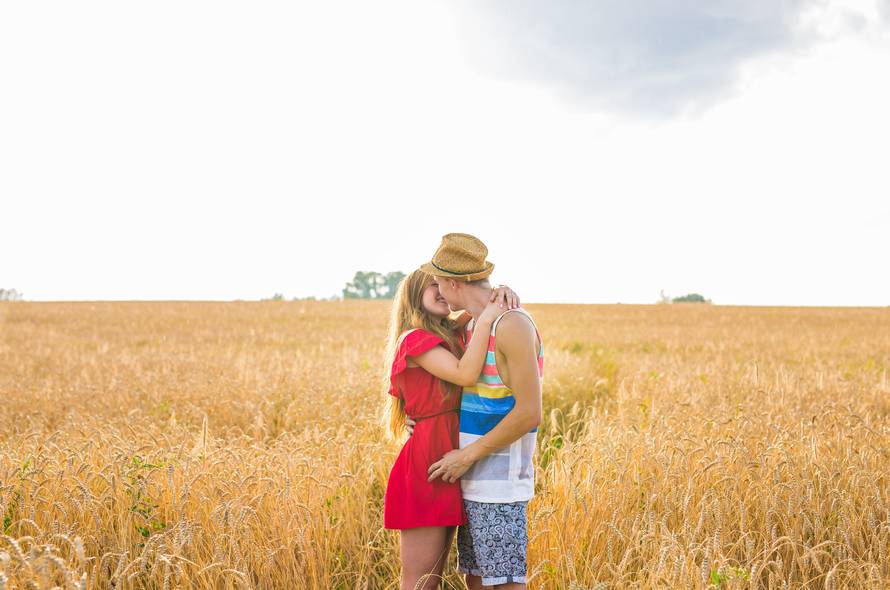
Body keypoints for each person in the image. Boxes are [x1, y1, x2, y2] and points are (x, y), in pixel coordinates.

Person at [382, 268, 519, 590]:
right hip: (430, 464)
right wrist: (486, 319)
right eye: (434, 287)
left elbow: (477, 304)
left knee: (456, 575)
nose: (443, 291)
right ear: (415, 294)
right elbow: (463, 374)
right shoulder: (415, 339)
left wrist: (500, 291)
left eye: (444, 285)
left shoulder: (449, 333)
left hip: (457, 458)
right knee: (423, 581)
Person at [421, 233, 545, 590]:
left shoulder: (512, 325)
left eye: (439, 282)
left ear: (455, 283)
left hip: (499, 489)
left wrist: (466, 456)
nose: (439, 291)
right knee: (476, 583)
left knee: (504, 585)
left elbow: (529, 413)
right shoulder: (478, 325)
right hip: (473, 485)